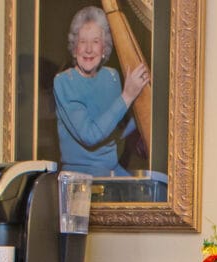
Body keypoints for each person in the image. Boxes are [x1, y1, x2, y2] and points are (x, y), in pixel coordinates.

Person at [53, 6, 149, 177]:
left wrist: (144, 103)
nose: (89, 49)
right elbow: (90, 136)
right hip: (79, 179)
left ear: (104, 49)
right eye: (82, 42)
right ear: (75, 49)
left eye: (96, 41)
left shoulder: (111, 77)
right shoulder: (64, 82)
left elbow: (117, 126)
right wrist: (127, 96)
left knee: (155, 193)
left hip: (111, 171)